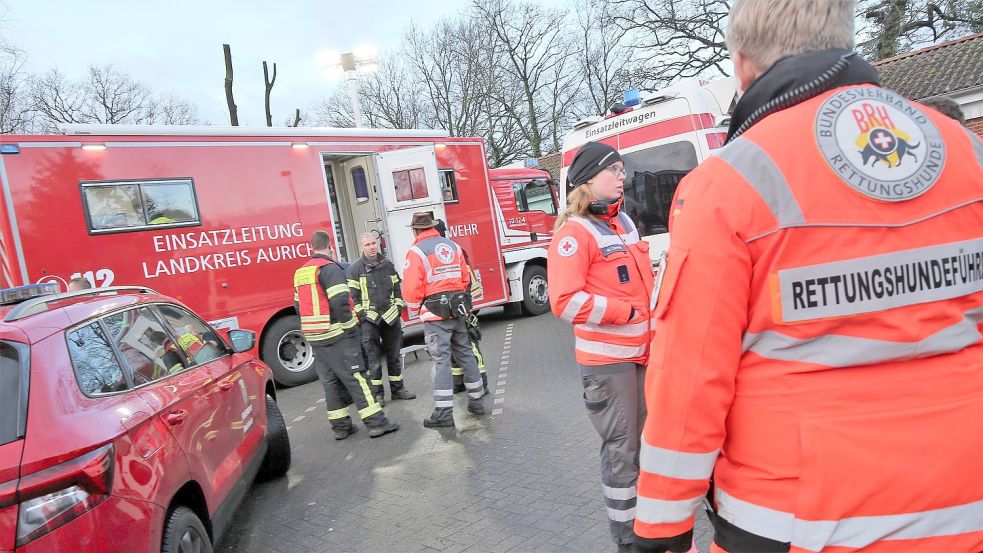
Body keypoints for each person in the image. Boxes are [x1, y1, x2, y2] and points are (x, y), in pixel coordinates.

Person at [632, 1, 983, 551]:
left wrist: (661, 525)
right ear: (844, 36)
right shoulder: (965, 151)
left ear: (743, 65)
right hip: (965, 496)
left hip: (797, 517)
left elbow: (691, 376)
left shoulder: (728, 183)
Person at [547, 141, 655, 552]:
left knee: (646, 445)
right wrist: (625, 313)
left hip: (642, 355)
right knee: (622, 451)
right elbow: (565, 301)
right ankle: (627, 540)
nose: (623, 176)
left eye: (623, 169)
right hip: (608, 365)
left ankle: (652, 526)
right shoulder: (573, 234)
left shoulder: (623, 221)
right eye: (615, 170)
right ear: (590, 180)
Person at [294, 230, 399, 440]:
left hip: (315, 337)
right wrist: (350, 328)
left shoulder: (301, 272)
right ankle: (376, 423)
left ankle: (341, 427)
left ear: (312, 247)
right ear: (330, 246)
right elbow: (340, 301)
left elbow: (298, 305)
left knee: (330, 382)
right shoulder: (330, 269)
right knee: (357, 377)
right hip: (336, 335)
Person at [402, 212, 486, 428]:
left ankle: (444, 413)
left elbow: (411, 287)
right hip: (457, 310)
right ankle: (477, 401)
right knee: (466, 353)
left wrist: (414, 309)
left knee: (441, 361)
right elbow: (465, 278)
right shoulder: (453, 246)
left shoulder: (416, 251)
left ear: (415, 230)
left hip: (434, 314)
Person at [347, 232, 416, 405]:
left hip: (390, 318)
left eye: (373, 244)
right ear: (361, 247)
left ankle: (398, 389)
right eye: (367, 245)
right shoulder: (355, 269)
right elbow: (353, 298)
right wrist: (363, 315)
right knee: (373, 359)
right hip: (369, 322)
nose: (371, 247)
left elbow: (397, 289)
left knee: (393, 355)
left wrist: (398, 307)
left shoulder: (387, 264)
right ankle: (378, 394)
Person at [433, 219, 489, 395]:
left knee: (470, 345)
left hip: (460, 306)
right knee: (452, 346)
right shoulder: (444, 251)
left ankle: (482, 382)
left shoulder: (452, 251)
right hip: (450, 307)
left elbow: (468, 282)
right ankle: (458, 381)